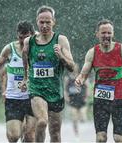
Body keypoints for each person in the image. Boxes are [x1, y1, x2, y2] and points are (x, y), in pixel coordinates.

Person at [75, 19, 122, 142]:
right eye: (103, 33)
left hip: (120, 100)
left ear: (113, 33)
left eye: (109, 33)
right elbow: (83, 73)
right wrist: (79, 80)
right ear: (97, 34)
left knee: (119, 139)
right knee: (101, 138)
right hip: (101, 100)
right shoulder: (92, 53)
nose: (106, 36)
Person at [21, 5, 75, 142]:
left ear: (54, 22)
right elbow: (25, 59)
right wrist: (25, 78)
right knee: (42, 122)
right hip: (36, 89)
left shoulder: (61, 40)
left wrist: (61, 56)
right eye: (41, 22)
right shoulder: (29, 42)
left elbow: (72, 67)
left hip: (55, 92)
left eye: (48, 22)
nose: (44, 25)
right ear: (37, 22)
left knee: (55, 134)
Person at [0, 21, 36, 142]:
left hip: (33, 97)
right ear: (17, 35)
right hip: (14, 99)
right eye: (20, 37)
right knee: (14, 136)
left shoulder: (38, 49)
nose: (23, 41)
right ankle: (18, 129)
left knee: (30, 137)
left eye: (26, 37)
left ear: (32, 35)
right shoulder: (9, 49)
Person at [64, 63, 89, 136]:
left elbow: (87, 87)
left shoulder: (82, 77)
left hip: (81, 100)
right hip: (72, 100)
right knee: (74, 118)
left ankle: (85, 132)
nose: (74, 69)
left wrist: (87, 97)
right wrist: (66, 97)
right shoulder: (68, 78)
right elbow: (65, 89)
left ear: (78, 69)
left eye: (76, 68)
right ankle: (76, 133)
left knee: (83, 118)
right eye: (73, 67)